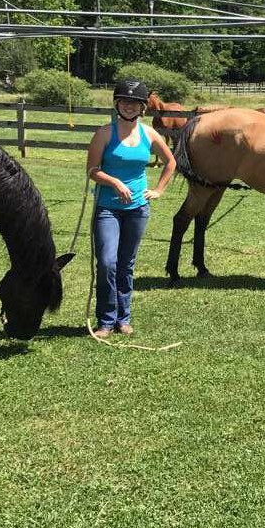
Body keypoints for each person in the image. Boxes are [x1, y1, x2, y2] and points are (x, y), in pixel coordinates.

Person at [85, 79, 176, 337]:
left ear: (142, 107)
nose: (128, 106)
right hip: (107, 208)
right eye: (124, 101)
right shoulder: (104, 133)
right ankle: (105, 320)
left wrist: (157, 190)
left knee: (126, 264)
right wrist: (113, 182)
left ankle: (123, 319)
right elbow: (92, 170)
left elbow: (170, 162)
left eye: (134, 102)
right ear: (117, 104)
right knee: (106, 262)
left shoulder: (149, 134)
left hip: (138, 208)